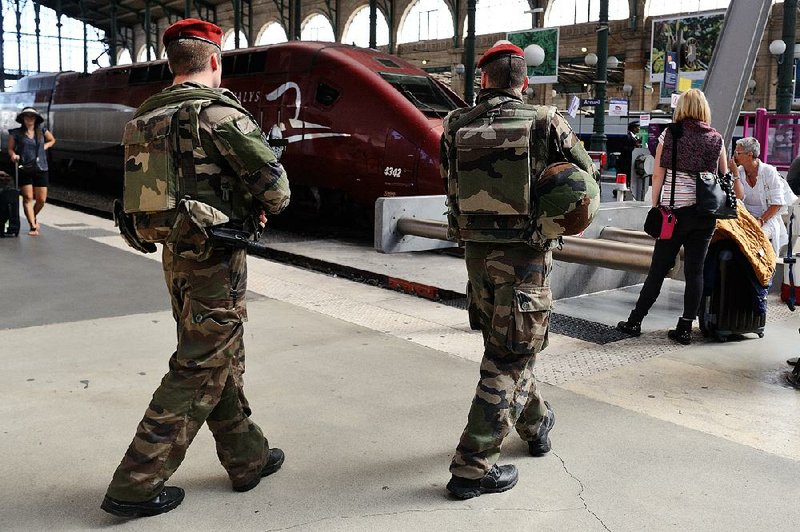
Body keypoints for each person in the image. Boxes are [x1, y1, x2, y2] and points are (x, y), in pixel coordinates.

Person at [101, 19, 290, 518]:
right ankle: (135, 483)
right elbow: (278, 191)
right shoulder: (220, 115)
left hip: (175, 255)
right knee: (200, 363)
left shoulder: (143, 119)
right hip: (216, 258)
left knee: (215, 351)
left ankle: (247, 457)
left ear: (171, 64)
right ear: (214, 60)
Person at [440, 42, 597, 499]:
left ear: (483, 80)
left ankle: (536, 424)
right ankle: (473, 465)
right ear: (523, 82)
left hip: (475, 255)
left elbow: (447, 184)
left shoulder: (453, 125)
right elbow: (582, 174)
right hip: (526, 257)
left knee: (507, 345)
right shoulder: (546, 121)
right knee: (509, 356)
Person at [617, 89, 729, 345]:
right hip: (704, 216)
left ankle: (635, 321)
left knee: (658, 269)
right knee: (695, 272)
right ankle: (685, 328)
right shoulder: (717, 138)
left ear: (682, 109)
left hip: (673, 215)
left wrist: (656, 205)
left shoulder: (671, 134)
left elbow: (658, 175)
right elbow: (723, 177)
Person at [729, 137, 787, 256]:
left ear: (750, 155)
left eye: (738, 153)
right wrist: (735, 173)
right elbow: (738, 198)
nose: (734, 156)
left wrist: (760, 221)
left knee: (755, 238)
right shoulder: (739, 172)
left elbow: (777, 203)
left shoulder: (768, 171)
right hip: (745, 218)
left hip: (767, 218)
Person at [7, 107, 55, 236]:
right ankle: (32, 226)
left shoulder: (42, 131)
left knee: (41, 200)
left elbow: (52, 140)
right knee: (28, 198)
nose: (29, 118)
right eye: (26, 116)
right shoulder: (15, 133)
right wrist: (13, 155)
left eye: (32, 116)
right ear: (22, 118)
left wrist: (45, 146)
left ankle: (33, 217)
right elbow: (10, 149)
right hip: (24, 168)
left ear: (36, 119)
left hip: (41, 167)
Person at [618, 121, 641, 187]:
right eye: (638, 127)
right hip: (626, 162)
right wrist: (634, 148)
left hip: (631, 161)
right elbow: (622, 148)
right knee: (627, 176)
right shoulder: (627, 137)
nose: (639, 128)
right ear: (634, 128)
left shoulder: (635, 137)